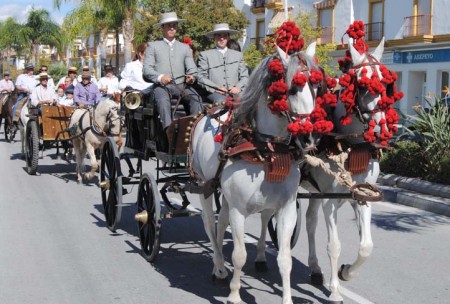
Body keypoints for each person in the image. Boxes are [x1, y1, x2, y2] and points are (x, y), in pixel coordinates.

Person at [143, 11, 203, 130]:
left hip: (181, 86)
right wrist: (160, 77)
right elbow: (147, 69)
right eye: (169, 25)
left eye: (174, 25)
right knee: (162, 100)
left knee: (196, 98)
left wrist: (192, 76)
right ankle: (168, 131)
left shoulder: (185, 48)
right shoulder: (153, 46)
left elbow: (192, 68)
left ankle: (195, 130)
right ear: (162, 27)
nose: (172, 28)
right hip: (161, 87)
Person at [197, 23, 249, 104]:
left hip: (236, 92)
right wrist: (216, 88)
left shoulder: (238, 55)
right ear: (214, 37)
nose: (222, 38)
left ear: (228, 37)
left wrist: (238, 87)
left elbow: (245, 76)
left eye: (224, 36)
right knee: (222, 102)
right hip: (215, 93)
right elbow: (201, 77)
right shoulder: (205, 55)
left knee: (249, 102)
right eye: (218, 36)